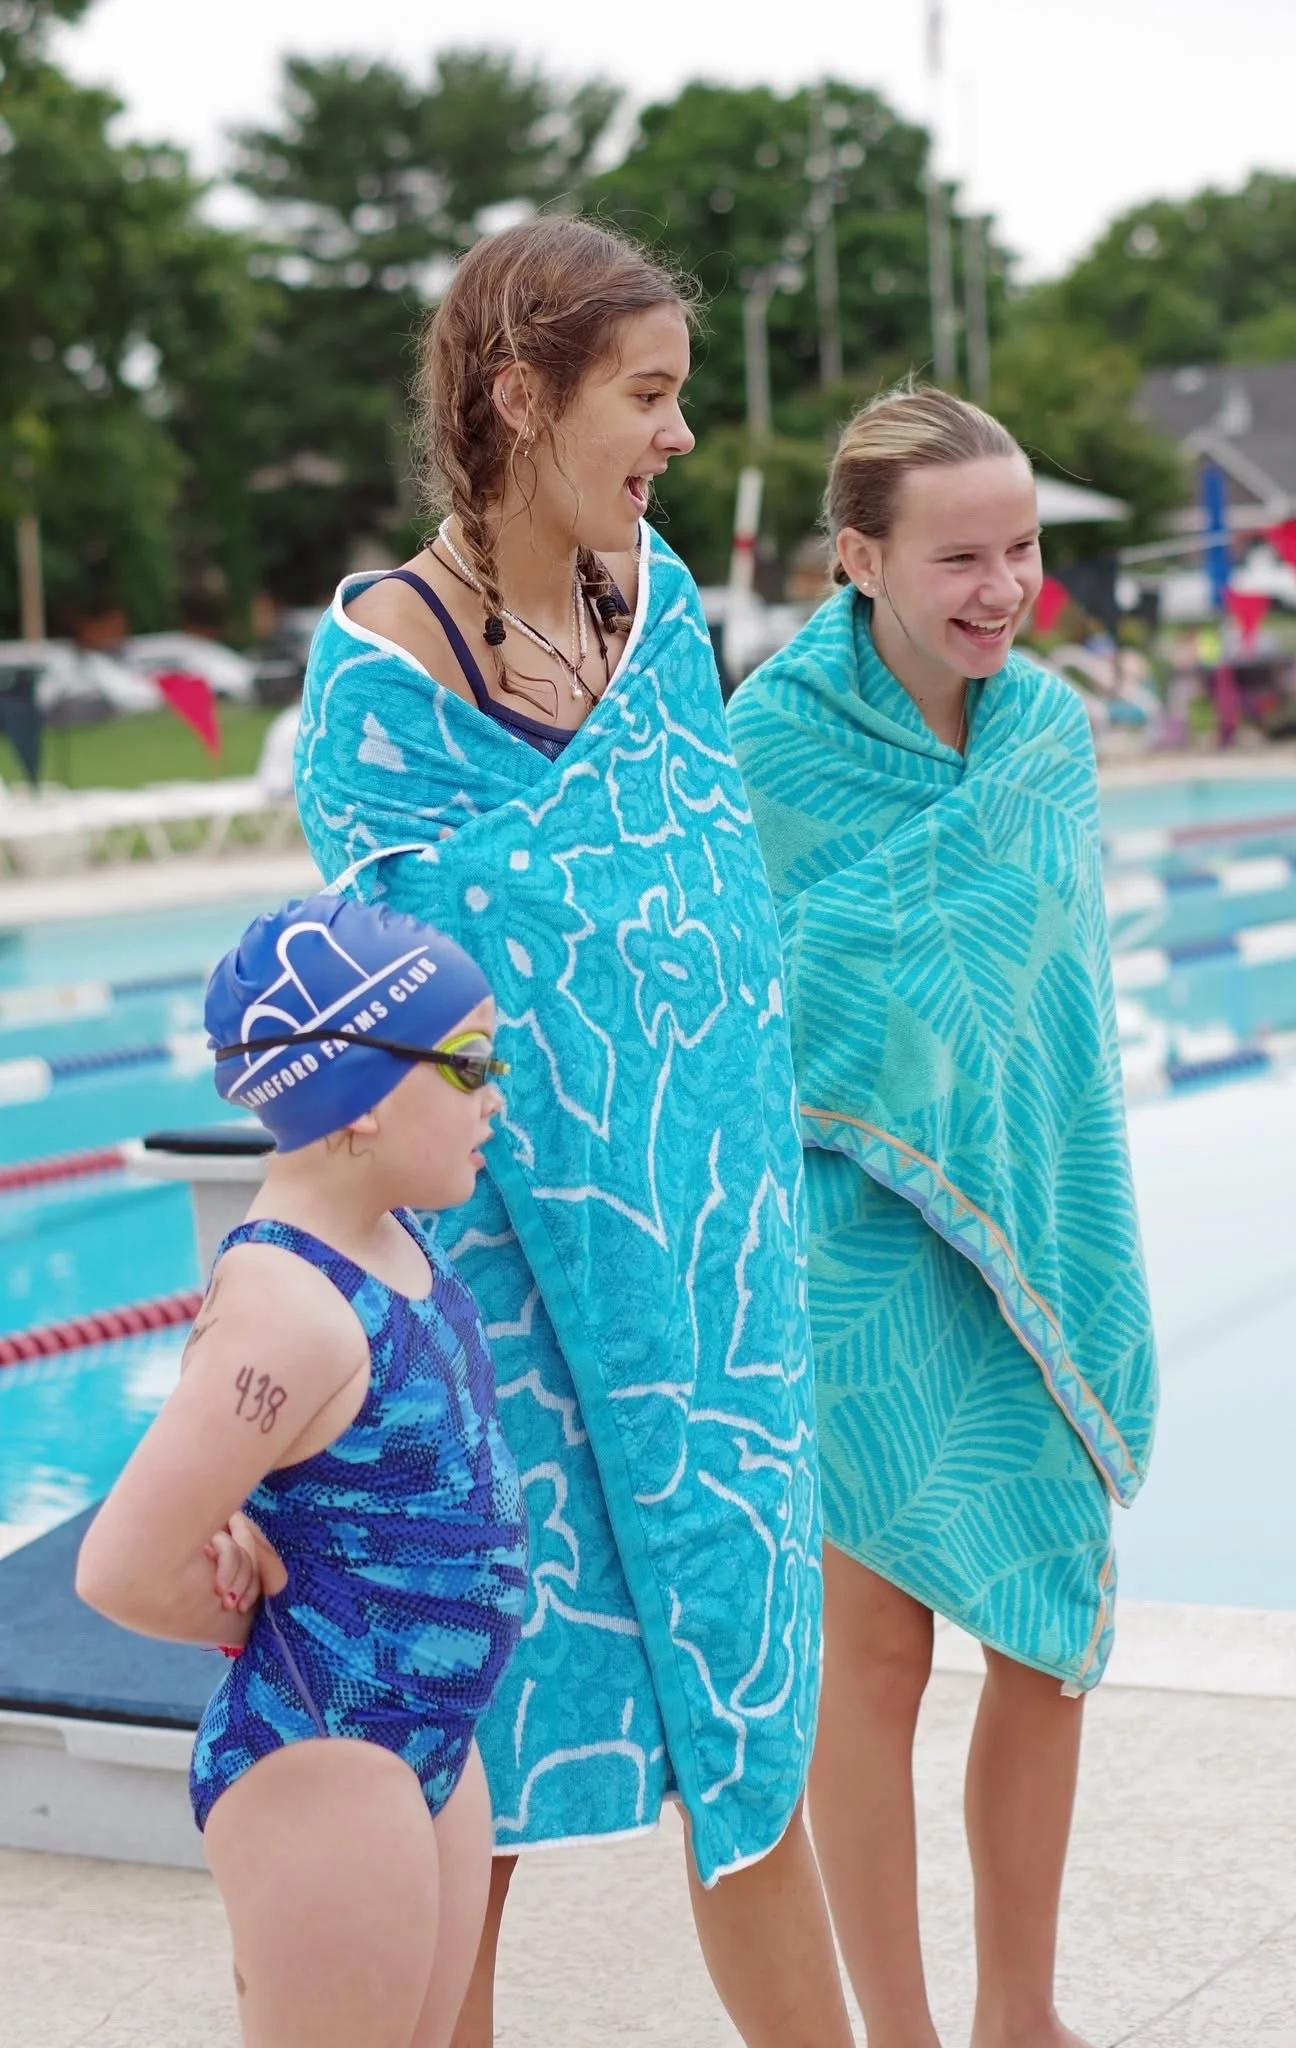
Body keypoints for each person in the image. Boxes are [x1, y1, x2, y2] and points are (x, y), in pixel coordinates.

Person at [294, 216, 851, 2048]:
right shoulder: (386, 665)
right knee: (483, 1780)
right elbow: (406, 1017)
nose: (680, 434)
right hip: (500, 1302)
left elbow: (713, 925)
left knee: (748, 1729)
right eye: (651, 393)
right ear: (520, 396)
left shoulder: (656, 607)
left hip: (705, 1287)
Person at [728, 385, 1159, 2048]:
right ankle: (896, 2029)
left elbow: (1053, 1019)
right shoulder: (768, 738)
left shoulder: (1045, 730)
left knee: (1047, 1635)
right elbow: (750, 989)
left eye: (1023, 548)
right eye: (961, 554)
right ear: (859, 555)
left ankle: (1020, 2011)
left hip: (1031, 1236)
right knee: (876, 1656)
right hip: (845, 1238)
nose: (1003, 587)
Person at [75, 891, 530, 2048]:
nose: (496, 1094)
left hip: (429, 1730)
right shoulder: (286, 1304)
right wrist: (256, 1614)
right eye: (470, 1064)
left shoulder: (390, 1236)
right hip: (325, 1744)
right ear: (358, 1097)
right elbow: (120, 1564)